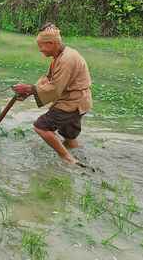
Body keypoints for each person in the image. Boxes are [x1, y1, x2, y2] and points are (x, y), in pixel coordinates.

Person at [13, 23, 92, 165]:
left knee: (41, 126)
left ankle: (68, 159)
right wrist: (29, 91)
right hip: (79, 101)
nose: (40, 50)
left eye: (41, 46)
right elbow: (48, 79)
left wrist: (30, 89)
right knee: (69, 137)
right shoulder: (61, 56)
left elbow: (55, 88)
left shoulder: (67, 59)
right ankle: (78, 156)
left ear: (51, 43)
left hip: (72, 102)